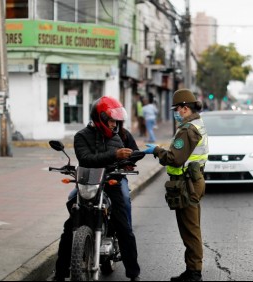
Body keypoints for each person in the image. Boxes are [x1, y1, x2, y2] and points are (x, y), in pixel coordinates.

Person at [54, 96, 141, 281]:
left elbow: (134, 152)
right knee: (70, 221)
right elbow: (86, 159)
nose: (114, 124)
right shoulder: (81, 136)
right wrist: (114, 154)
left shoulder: (121, 135)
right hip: (89, 182)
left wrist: (129, 160)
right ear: (100, 118)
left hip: (113, 181)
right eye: (111, 120)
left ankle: (134, 274)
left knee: (124, 221)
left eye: (116, 120)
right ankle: (60, 274)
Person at [143, 89, 208, 281]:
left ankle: (194, 273)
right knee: (190, 228)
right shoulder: (196, 124)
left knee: (190, 229)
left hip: (187, 183)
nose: (176, 112)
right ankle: (192, 269)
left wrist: (157, 150)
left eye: (177, 108)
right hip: (192, 181)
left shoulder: (188, 130)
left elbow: (174, 158)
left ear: (185, 108)